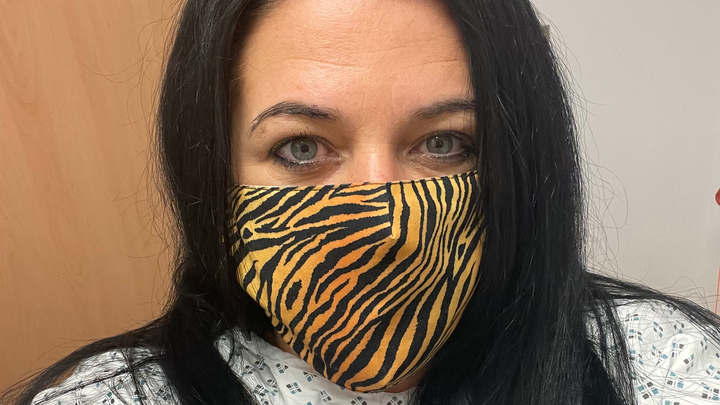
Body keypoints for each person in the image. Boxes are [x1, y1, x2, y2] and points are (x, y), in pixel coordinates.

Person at [4, 0, 720, 404]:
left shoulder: (662, 363)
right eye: (301, 148)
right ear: (214, 171)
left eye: (443, 143)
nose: (381, 221)